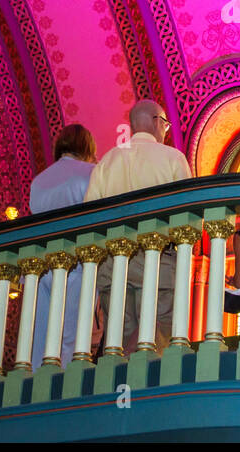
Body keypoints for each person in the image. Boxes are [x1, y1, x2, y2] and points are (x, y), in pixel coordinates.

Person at [86, 100, 193, 355]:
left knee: (119, 341)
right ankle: (153, 394)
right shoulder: (173, 158)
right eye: (165, 125)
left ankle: (122, 391)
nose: (165, 131)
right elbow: (188, 218)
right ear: (157, 122)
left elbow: (89, 215)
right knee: (158, 339)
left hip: (114, 264)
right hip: (159, 264)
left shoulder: (108, 161)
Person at [29, 124, 97, 369]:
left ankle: (36, 389)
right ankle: (62, 391)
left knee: (40, 337)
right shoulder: (91, 173)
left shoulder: (38, 180)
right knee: (71, 336)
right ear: (88, 147)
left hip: (39, 267)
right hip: (76, 265)